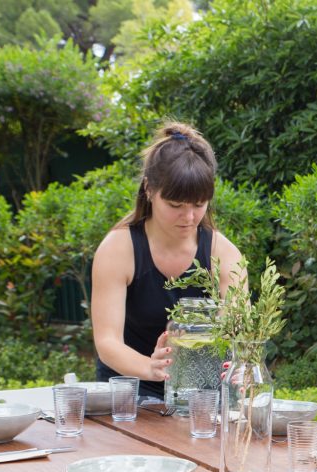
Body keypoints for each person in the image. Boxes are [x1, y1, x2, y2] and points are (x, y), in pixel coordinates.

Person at [91, 122, 243, 400]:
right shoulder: (118, 249)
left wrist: (239, 363)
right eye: (175, 206)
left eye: (199, 205)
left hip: (200, 398)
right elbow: (107, 342)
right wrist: (151, 367)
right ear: (149, 190)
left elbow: (237, 332)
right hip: (129, 395)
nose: (189, 218)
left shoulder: (224, 254)